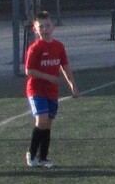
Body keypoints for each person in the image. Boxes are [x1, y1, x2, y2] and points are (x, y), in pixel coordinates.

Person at [24, 11, 78, 168]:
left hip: (52, 91)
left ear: (53, 27)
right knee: (41, 121)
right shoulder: (35, 48)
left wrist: (72, 85)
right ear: (35, 29)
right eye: (41, 27)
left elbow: (65, 67)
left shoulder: (58, 46)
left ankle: (43, 158)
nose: (45, 29)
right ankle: (31, 154)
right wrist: (48, 77)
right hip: (36, 90)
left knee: (48, 124)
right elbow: (29, 70)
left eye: (47, 25)